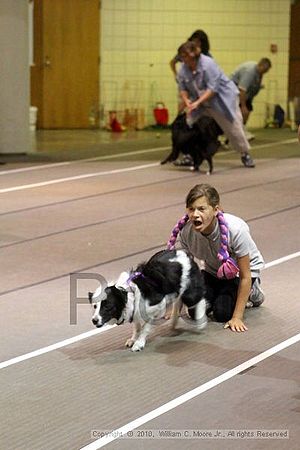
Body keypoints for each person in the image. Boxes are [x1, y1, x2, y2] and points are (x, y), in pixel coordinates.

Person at [167, 183, 265, 332]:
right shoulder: (186, 233)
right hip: (213, 271)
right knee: (195, 312)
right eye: (191, 209)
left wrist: (237, 317)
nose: (195, 214)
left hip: (240, 274)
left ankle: (253, 291)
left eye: (201, 209)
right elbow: (184, 275)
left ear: (215, 209)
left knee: (223, 313)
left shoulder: (236, 229)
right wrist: (175, 311)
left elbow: (246, 275)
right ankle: (217, 292)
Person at [176, 40, 255, 168]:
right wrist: (187, 102)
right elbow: (182, 87)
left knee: (233, 127)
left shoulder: (208, 64)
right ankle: (189, 155)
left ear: (192, 55)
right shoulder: (183, 69)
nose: (182, 59)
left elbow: (213, 89)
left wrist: (197, 102)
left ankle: (244, 153)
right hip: (199, 101)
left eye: (184, 56)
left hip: (221, 100)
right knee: (189, 124)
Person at [230, 58, 272, 139]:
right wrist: (243, 106)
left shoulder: (259, 73)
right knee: (244, 111)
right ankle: (239, 132)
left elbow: (253, 89)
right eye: (264, 70)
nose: (265, 72)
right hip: (233, 90)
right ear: (260, 65)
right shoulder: (250, 72)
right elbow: (241, 89)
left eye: (266, 71)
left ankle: (242, 129)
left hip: (244, 93)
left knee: (248, 109)